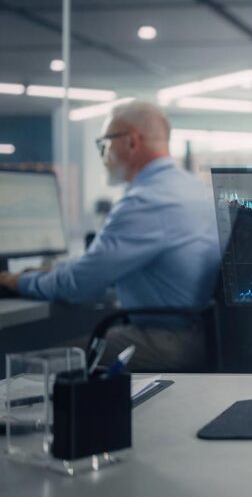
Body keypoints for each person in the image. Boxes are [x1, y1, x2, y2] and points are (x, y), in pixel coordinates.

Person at [0, 102, 221, 371]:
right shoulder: (193, 190)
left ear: (131, 142)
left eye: (104, 144)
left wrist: (18, 281)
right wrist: (52, 272)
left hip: (168, 340)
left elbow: (79, 286)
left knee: (32, 368)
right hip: (204, 332)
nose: (103, 154)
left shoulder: (145, 201)